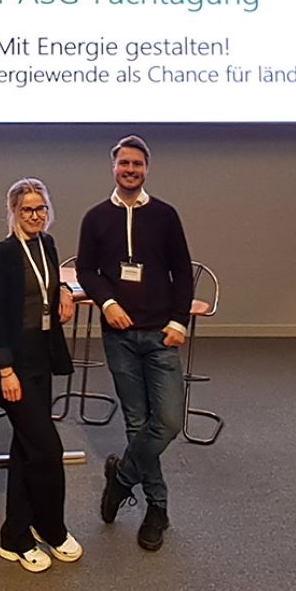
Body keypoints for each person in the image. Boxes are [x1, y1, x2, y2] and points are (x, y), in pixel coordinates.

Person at [76, 135, 193, 552]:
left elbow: (182, 271)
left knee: (169, 422)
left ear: (147, 169)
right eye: (124, 163)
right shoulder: (96, 217)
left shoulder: (165, 215)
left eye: (137, 164)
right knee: (137, 423)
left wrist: (179, 322)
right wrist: (107, 303)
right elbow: (86, 270)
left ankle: (122, 477)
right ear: (113, 167)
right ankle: (157, 508)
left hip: (161, 333)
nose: (130, 170)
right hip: (120, 337)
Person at [0, 178, 80, 573]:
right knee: (47, 451)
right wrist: (5, 369)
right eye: (27, 209)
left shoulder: (48, 244)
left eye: (41, 209)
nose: (36, 215)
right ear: (13, 212)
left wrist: (65, 290)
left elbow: (50, 281)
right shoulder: (4, 253)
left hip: (42, 358)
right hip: (13, 366)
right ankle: (51, 527)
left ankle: (16, 537)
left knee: (26, 449)